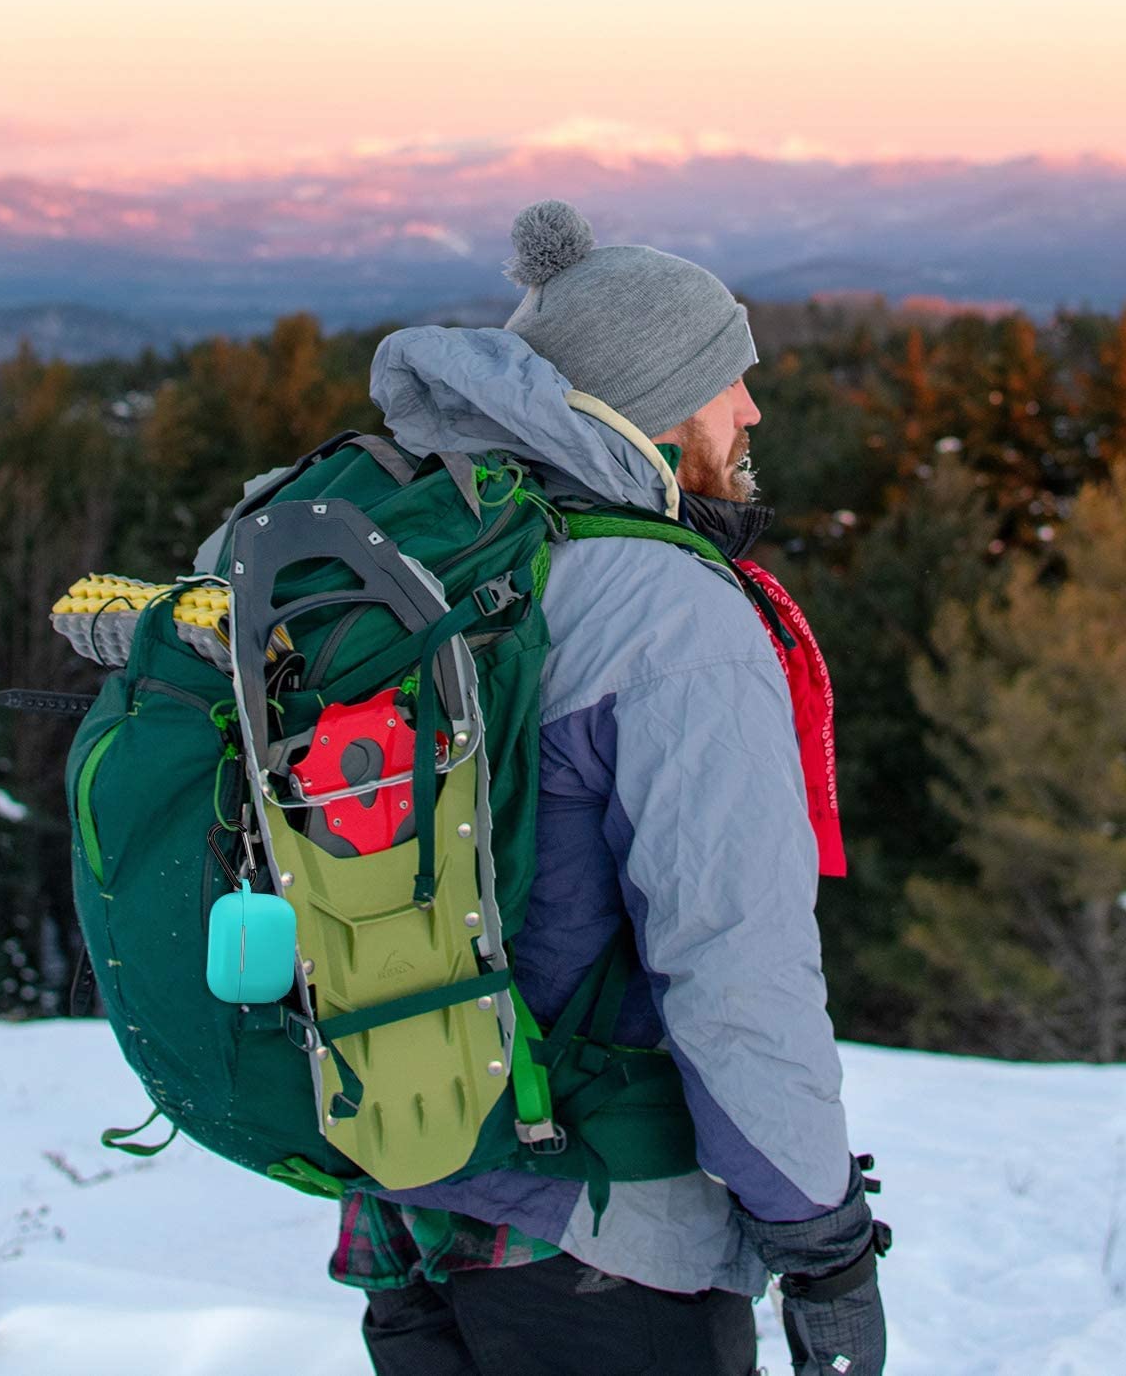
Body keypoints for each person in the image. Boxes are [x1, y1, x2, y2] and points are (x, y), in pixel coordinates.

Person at [331, 200, 888, 1376]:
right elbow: (733, 964)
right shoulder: (667, 613)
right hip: (604, 1239)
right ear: (653, 404)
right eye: (727, 381)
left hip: (407, 1206)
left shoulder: (439, 566)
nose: (751, 410)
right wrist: (823, 1241)